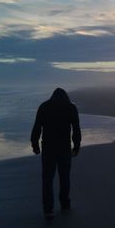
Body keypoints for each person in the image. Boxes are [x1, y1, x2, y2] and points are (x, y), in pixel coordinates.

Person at [31, 88, 81, 219]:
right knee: (64, 178)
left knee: (47, 179)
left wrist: (35, 145)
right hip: (64, 147)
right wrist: (77, 146)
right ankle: (65, 204)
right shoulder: (71, 107)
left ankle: (48, 209)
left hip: (48, 148)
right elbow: (76, 128)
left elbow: (37, 127)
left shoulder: (44, 106)